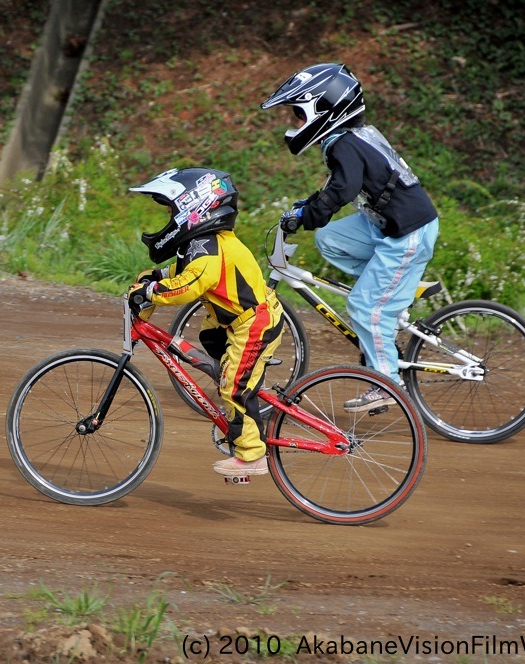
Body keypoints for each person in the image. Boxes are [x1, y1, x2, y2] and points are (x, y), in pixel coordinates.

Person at [260, 63, 440, 412]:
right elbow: (339, 186)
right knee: (330, 238)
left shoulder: (345, 144)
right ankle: (390, 289)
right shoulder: (350, 138)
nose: (295, 124)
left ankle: (387, 384)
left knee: (363, 308)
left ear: (322, 110)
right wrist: (309, 207)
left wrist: (308, 215)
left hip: (407, 233)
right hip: (388, 225)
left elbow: (343, 190)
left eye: (299, 115)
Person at [127, 168, 284, 477]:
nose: (170, 217)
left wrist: (150, 292)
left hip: (254, 323)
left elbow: (188, 287)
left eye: (172, 210)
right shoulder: (204, 243)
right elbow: (183, 272)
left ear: (194, 208)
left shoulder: (210, 248)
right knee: (212, 343)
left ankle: (252, 454)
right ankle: (242, 391)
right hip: (235, 321)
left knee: (233, 386)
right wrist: (155, 278)